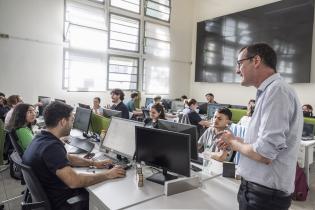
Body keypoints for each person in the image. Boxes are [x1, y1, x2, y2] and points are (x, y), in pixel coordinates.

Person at [217, 43, 303, 210]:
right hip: (258, 191)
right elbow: (261, 143)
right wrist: (236, 140)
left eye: (239, 63)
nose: (237, 70)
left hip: (264, 196)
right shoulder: (269, 92)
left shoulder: (277, 91)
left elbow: (265, 154)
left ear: (256, 60)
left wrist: (234, 143)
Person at [22, 101, 126, 210]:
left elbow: (68, 158)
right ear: (63, 122)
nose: (72, 124)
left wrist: (94, 163)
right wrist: (108, 174)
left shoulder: (42, 137)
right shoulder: (51, 147)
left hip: (50, 194)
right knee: (104, 193)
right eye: (71, 120)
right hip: (63, 203)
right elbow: (74, 181)